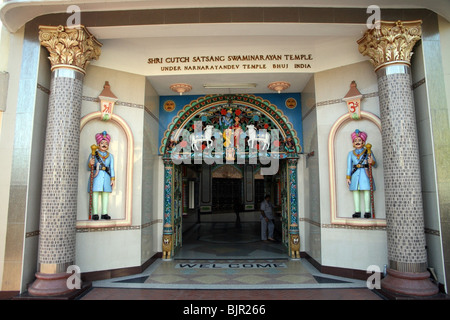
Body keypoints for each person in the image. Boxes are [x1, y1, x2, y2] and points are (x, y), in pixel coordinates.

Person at [346, 129, 376, 218]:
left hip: (365, 173)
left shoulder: (368, 151)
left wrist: (372, 161)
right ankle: (357, 211)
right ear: (353, 143)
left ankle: (367, 211)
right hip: (355, 175)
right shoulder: (351, 154)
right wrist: (348, 177)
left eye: (359, 140)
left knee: (367, 191)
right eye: (355, 141)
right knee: (356, 192)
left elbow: (375, 163)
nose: (357, 142)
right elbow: (349, 166)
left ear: (363, 142)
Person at [88, 131, 115, 220]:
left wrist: (112, 178)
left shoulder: (110, 156)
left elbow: (112, 168)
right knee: (95, 194)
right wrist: (90, 163)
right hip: (97, 176)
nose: (104, 145)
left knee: (105, 195)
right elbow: (89, 168)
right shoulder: (93, 154)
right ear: (98, 144)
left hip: (106, 177)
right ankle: (95, 213)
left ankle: (104, 212)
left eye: (106, 143)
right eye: (102, 143)